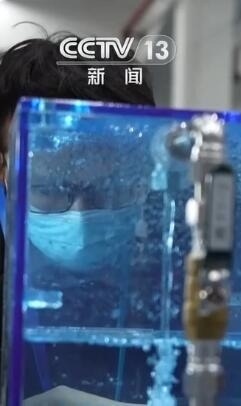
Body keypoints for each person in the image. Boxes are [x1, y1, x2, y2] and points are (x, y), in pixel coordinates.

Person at [0, 33, 157, 406]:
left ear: (145, 176)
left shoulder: (174, 285)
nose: (82, 217)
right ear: (4, 170)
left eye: (110, 187)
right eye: (51, 188)